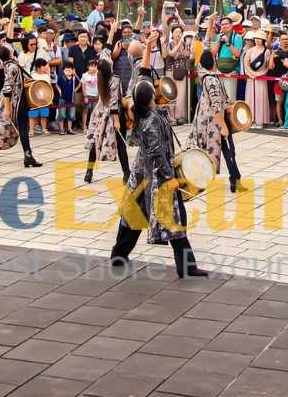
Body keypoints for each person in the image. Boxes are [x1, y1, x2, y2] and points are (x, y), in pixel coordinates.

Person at [110, 80, 208, 278]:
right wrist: (169, 177)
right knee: (174, 219)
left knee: (132, 216)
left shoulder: (145, 115)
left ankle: (118, 254)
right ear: (150, 98)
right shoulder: (150, 121)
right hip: (156, 179)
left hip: (141, 176)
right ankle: (187, 267)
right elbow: (156, 153)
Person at [190, 49, 242, 193]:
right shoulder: (211, 79)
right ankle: (234, 178)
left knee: (225, 149)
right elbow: (215, 104)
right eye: (214, 58)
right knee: (226, 149)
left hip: (209, 119)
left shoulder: (207, 76)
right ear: (212, 62)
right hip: (215, 121)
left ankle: (235, 177)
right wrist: (222, 125)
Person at [0, 41, 42, 168]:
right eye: (10, 48)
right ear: (9, 53)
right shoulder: (12, 67)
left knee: (0, 127)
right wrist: (8, 109)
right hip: (15, 102)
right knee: (23, 128)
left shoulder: (10, 64)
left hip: (15, 100)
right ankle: (28, 156)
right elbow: (7, 88)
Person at [84, 55, 128, 183]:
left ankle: (89, 172)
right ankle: (126, 172)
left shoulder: (99, 77)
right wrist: (116, 120)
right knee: (120, 144)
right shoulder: (114, 79)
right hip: (112, 114)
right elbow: (114, 100)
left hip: (100, 112)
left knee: (95, 141)